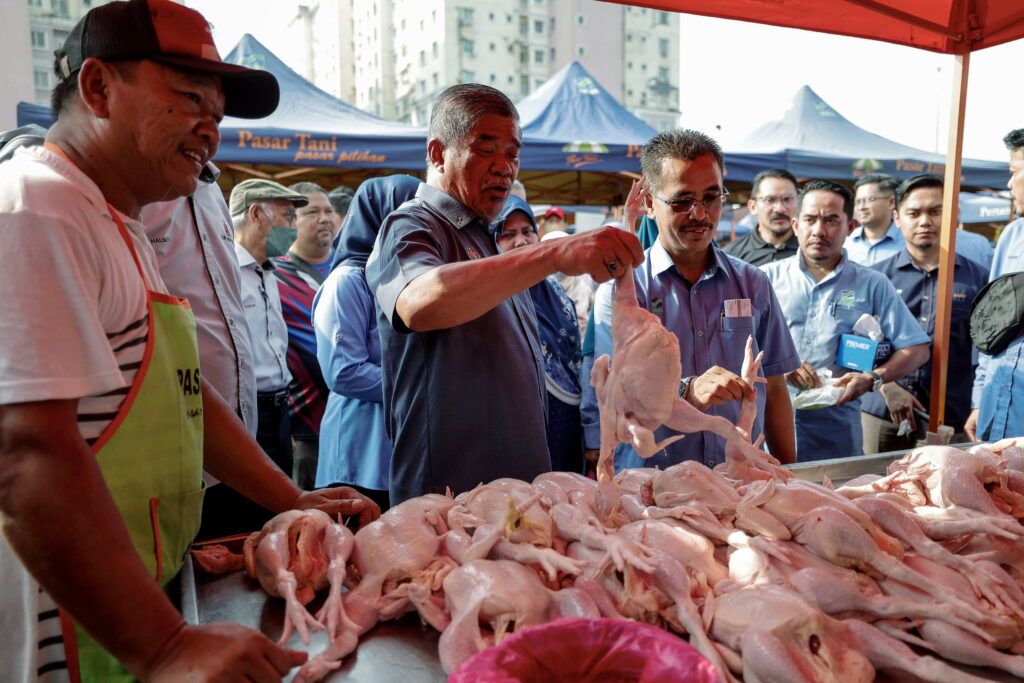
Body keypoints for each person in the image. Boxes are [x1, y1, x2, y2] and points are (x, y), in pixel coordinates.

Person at [0, 2, 378, 681]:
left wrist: (290, 496)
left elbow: (180, 396)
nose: (211, 127)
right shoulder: (39, 207)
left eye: (218, 110)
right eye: (188, 99)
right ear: (97, 89)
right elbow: (25, 450)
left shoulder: (118, 221)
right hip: (62, 629)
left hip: (130, 598)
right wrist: (165, 645)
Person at [365, 83, 643, 504]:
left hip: (515, 500)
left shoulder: (486, 242)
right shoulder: (413, 225)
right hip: (449, 507)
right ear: (438, 154)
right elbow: (417, 302)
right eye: (485, 149)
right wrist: (551, 252)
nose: (504, 167)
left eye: (513, 154)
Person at [589, 130, 801, 471]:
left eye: (711, 197)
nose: (699, 214)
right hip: (652, 491)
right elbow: (617, 400)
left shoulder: (753, 284)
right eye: (682, 200)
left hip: (741, 482)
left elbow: (775, 389)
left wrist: (789, 473)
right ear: (648, 203)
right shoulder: (625, 294)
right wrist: (686, 391)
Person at [762, 180, 930, 461]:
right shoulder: (764, 279)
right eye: (810, 219)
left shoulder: (873, 285)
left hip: (837, 436)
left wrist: (872, 379)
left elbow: (917, 349)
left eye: (831, 220)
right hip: (766, 431)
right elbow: (734, 343)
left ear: (850, 227)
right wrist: (780, 363)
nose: (819, 230)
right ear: (795, 225)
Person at [315, 175, 422, 511]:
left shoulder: (401, 277)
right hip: (360, 448)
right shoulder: (348, 281)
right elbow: (343, 372)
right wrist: (417, 385)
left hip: (397, 441)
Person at [860, 175, 987, 451]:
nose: (925, 221)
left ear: (954, 215)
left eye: (936, 211)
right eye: (914, 213)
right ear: (897, 217)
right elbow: (856, 345)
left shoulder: (977, 279)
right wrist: (887, 385)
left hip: (948, 418)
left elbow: (985, 353)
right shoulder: (874, 278)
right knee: (871, 487)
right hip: (881, 413)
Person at [493, 195, 584, 473]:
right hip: (515, 426)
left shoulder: (555, 290)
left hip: (567, 420)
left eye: (527, 231)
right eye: (508, 234)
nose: (521, 241)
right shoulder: (491, 298)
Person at [230, 179, 308, 478]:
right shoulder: (228, 272)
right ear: (255, 214)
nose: (293, 227)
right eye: (287, 216)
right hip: (244, 412)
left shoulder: (269, 271)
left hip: (278, 410)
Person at [272, 181, 339, 489]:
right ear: (291, 220)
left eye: (329, 210)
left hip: (355, 421)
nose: (325, 218)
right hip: (306, 427)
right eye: (312, 211)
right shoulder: (273, 276)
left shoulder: (351, 267)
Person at [967, 128, 1024, 441]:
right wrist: (980, 399)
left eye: (1014, 172)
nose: (1008, 184)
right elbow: (991, 325)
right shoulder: (1013, 237)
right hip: (996, 412)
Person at [724, 168, 800, 265]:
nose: (780, 208)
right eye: (770, 200)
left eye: (788, 199)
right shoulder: (732, 256)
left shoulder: (812, 251)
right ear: (753, 206)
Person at [846, 173, 904, 266]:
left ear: (891, 202)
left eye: (869, 199)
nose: (861, 207)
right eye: (858, 201)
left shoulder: (907, 242)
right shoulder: (846, 242)